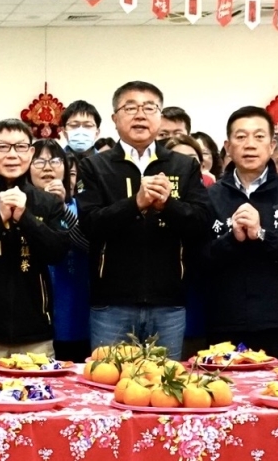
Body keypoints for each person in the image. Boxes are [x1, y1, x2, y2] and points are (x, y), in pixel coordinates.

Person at [76, 81, 213, 360]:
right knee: (108, 378)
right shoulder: (94, 166)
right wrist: (135, 204)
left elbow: (202, 222)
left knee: (165, 381)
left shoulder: (183, 165)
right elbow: (90, 225)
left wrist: (167, 206)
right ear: (115, 118)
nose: (140, 115)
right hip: (111, 302)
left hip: (169, 301)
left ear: (160, 117)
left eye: (149, 108)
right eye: (130, 108)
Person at [0, 120, 75, 361]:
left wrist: (24, 217)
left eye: (20, 147)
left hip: (36, 334)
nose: (12, 155)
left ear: (30, 153)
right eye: (2, 147)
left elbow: (58, 252)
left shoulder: (48, 202)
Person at [200, 106, 278, 354]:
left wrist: (263, 234)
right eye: (241, 137)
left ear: (272, 145)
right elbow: (199, 258)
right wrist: (232, 239)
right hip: (225, 322)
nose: (250, 145)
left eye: (259, 136)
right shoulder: (210, 196)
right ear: (228, 147)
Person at [29, 141, 90, 361]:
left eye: (55, 161)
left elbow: (87, 244)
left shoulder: (79, 206)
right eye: (39, 161)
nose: (47, 167)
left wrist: (61, 207)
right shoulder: (19, 207)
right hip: (32, 312)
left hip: (74, 309)